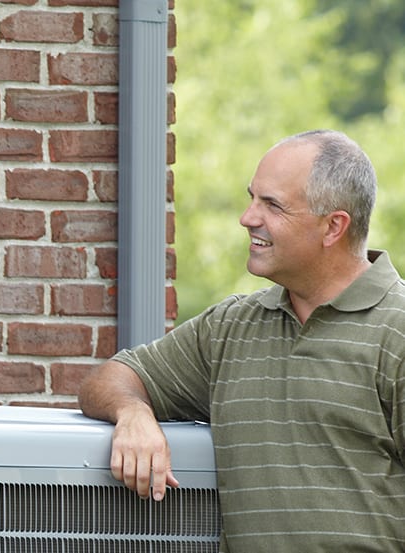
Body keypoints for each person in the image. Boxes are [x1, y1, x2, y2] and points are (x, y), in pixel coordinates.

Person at [78, 129, 405, 550]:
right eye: (252, 198)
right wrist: (133, 413)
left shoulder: (397, 331)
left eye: (272, 205)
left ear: (333, 227)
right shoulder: (232, 327)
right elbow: (108, 379)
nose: (248, 218)